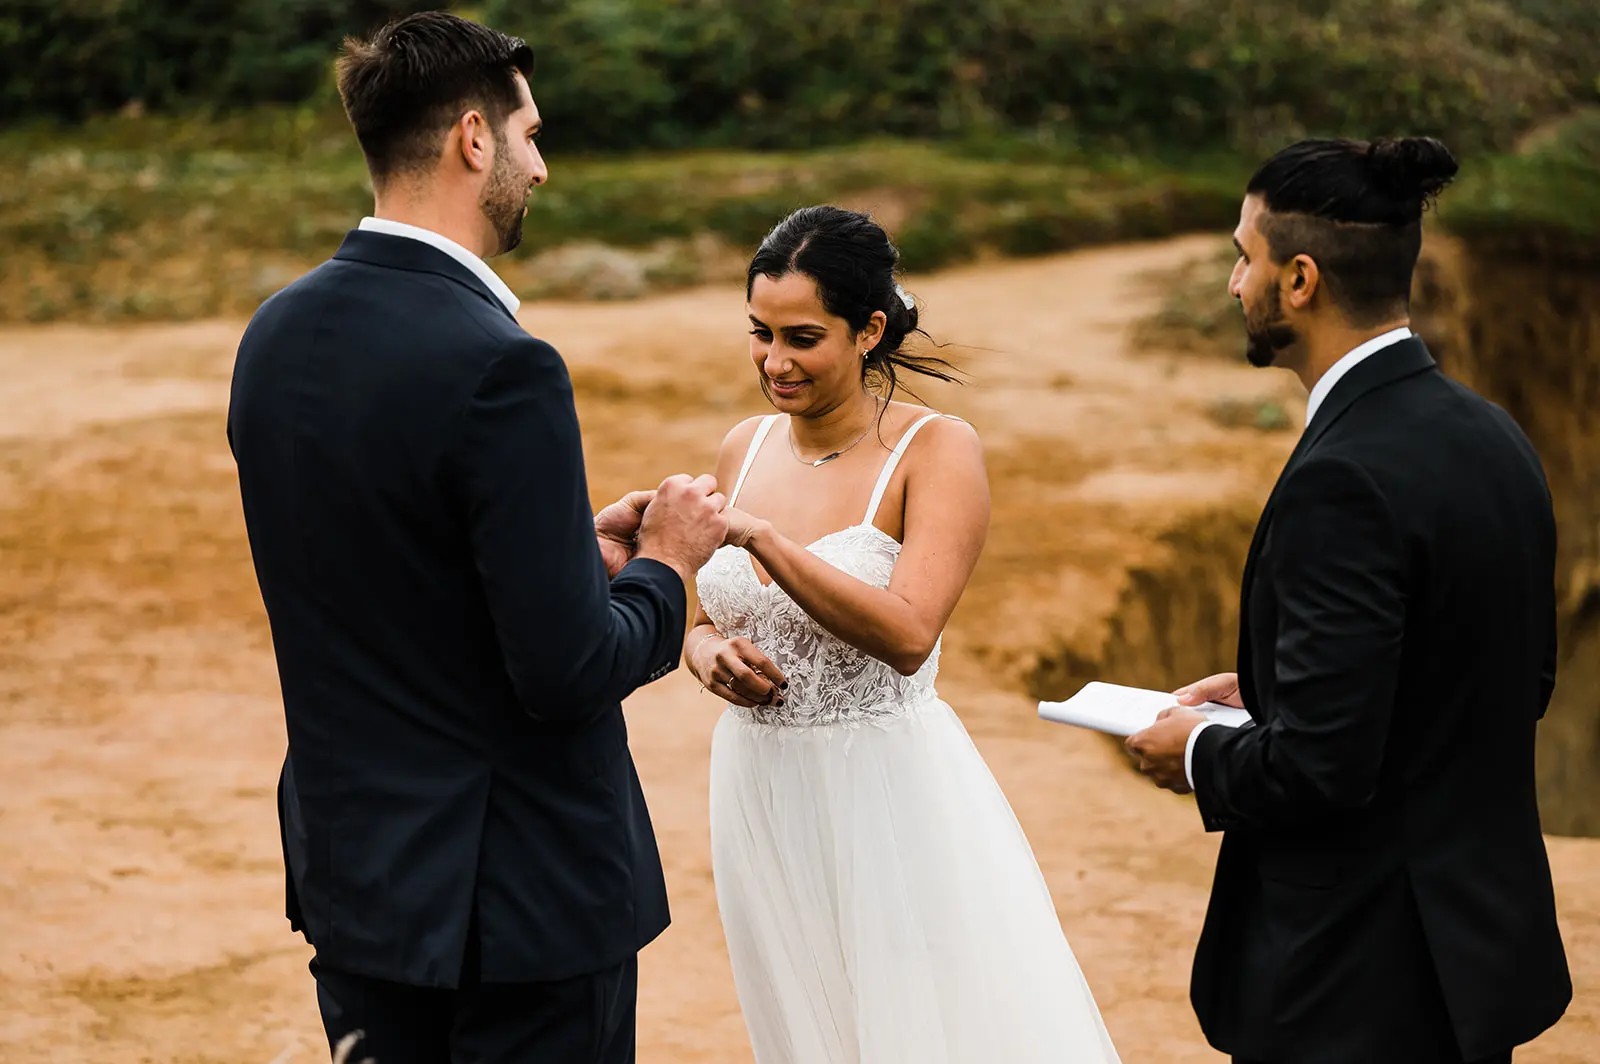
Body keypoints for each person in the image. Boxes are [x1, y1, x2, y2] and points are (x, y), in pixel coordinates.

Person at [227, 13, 726, 1062]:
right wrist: (668, 564)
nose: (540, 168)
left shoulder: (273, 335)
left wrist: (568, 558)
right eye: (531, 136)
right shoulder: (503, 362)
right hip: (515, 908)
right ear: (471, 139)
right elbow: (567, 670)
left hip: (359, 881)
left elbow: (386, 573)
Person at [1126, 137, 1571, 1064]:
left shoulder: (1344, 477)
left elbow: (1323, 772)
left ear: (1299, 279)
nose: (1230, 284)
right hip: (1467, 962)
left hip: (1355, 984)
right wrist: (1281, 697)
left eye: (1242, 257)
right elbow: (1507, 679)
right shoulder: (1493, 437)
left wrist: (1201, 751)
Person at [691, 205, 1121, 1063]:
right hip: (758, 785)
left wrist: (765, 538)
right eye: (760, 333)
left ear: (869, 329)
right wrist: (705, 654)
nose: (775, 361)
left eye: (803, 337)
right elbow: (704, 614)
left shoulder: (935, 449)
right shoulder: (744, 445)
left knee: (921, 1027)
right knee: (803, 1021)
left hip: (884, 792)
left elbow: (910, 632)